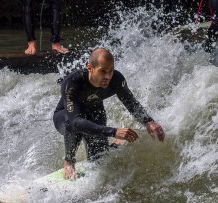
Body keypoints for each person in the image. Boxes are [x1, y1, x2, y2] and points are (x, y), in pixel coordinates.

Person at [53, 48, 165, 180]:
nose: (107, 77)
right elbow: (75, 122)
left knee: (100, 160)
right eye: (103, 71)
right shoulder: (72, 82)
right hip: (66, 118)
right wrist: (113, 131)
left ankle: (113, 146)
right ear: (90, 68)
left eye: (110, 71)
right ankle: (69, 161)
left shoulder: (116, 79)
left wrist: (148, 121)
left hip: (94, 113)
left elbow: (130, 102)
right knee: (74, 123)